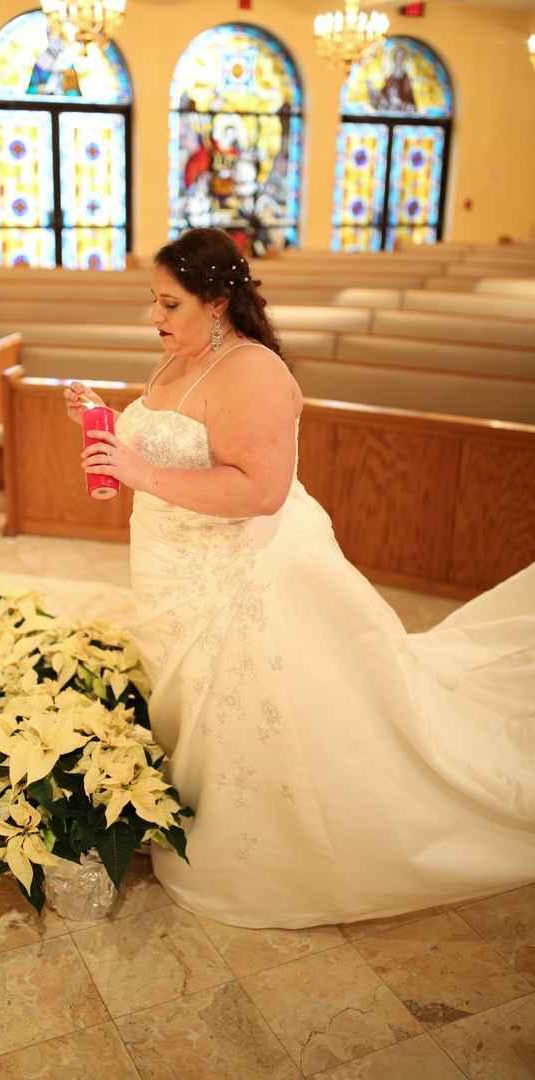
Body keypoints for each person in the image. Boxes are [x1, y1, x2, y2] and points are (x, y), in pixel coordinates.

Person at [63, 227, 535, 930]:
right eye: (152, 301)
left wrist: (140, 471)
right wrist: (106, 423)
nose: (154, 318)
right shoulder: (177, 358)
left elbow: (260, 493)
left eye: (169, 303)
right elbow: (170, 437)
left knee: (251, 715)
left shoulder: (254, 374)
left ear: (218, 303)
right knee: (187, 703)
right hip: (175, 568)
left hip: (237, 578)